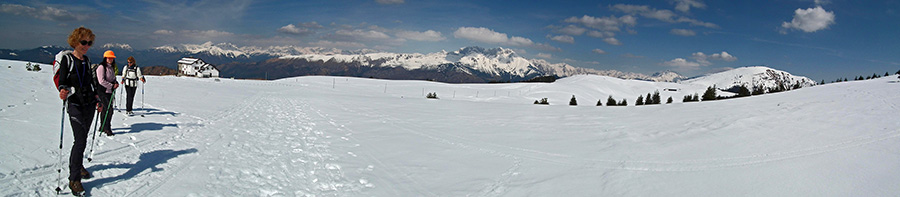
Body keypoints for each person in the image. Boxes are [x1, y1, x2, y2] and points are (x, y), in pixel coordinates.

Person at [56, 26, 96, 195]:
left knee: (83, 139)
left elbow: (90, 82)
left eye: (89, 42)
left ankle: (78, 165)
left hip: (89, 104)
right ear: (75, 41)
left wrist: (97, 98)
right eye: (83, 42)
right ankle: (74, 179)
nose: (86, 45)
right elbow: (63, 80)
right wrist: (63, 90)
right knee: (79, 140)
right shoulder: (68, 60)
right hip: (75, 104)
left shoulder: (86, 61)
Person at [96, 50, 118, 136]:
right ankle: (107, 128)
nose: (110, 59)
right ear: (105, 58)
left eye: (112, 58)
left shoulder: (111, 67)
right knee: (109, 110)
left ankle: (103, 126)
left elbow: (112, 78)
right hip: (103, 92)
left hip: (109, 92)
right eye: (109, 57)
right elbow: (101, 81)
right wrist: (111, 86)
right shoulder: (101, 67)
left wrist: (115, 82)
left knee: (105, 110)